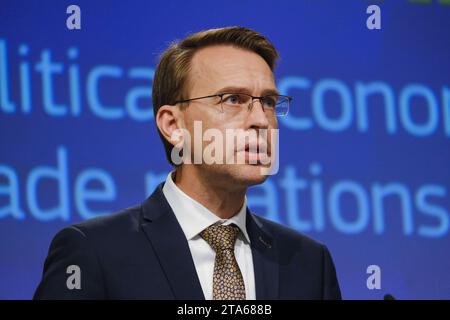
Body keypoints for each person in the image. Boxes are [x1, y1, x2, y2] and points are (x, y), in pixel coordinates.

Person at [34, 26, 341, 300]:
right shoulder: (94, 252)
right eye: (233, 99)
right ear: (173, 125)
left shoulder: (310, 262)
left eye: (270, 102)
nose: (261, 120)